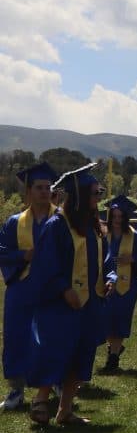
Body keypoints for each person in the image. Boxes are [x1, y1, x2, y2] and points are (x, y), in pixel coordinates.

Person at [26, 164, 112, 427]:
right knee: (57, 350)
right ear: (80, 196)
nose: (99, 198)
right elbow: (46, 265)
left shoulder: (93, 225)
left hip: (89, 301)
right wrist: (64, 289)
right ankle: (41, 400)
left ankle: (65, 410)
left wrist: (108, 278)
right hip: (62, 303)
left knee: (81, 354)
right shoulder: (57, 225)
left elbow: (104, 258)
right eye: (95, 193)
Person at [0, 162, 55, 410]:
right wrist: (22, 255)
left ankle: (55, 384)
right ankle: (16, 390)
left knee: (53, 336)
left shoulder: (61, 220)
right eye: (39, 187)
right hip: (21, 289)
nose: (45, 191)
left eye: (48, 187)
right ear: (29, 191)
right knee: (16, 337)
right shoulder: (15, 222)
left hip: (52, 290)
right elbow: (2, 252)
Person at [101, 195, 137, 374]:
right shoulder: (102, 234)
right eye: (114, 216)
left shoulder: (136, 237)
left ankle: (113, 357)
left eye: (120, 217)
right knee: (107, 319)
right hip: (104, 283)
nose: (117, 220)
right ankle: (114, 349)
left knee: (120, 318)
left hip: (127, 286)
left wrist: (133, 259)